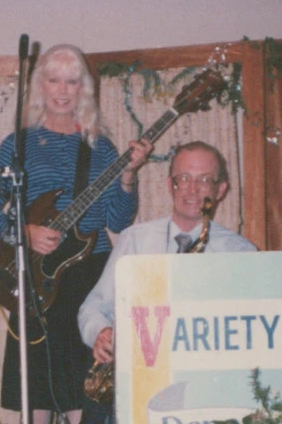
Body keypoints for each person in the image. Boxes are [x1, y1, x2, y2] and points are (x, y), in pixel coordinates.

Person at [0, 43, 147, 424]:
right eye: (54, 80)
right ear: (40, 86)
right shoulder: (20, 145)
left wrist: (127, 177)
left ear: (83, 88)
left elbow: (117, 223)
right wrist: (23, 233)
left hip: (88, 276)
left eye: (72, 81)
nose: (63, 91)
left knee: (84, 388)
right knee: (37, 388)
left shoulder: (100, 148)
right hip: (36, 278)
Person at [78, 140, 256, 362]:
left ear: (220, 190)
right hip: (143, 370)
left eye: (205, 179)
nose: (192, 189)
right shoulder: (135, 240)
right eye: (183, 178)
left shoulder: (241, 253)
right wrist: (101, 331)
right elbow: (93, 307)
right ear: (170, 185)